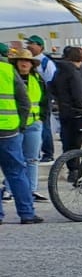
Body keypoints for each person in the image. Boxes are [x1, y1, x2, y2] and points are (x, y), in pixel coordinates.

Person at [0, 46, 40, 224]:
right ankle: (27, 213)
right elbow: (24, 102)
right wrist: (21, 125)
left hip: (10, 130)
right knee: (16, 172)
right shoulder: (8, 70)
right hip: (9, 130)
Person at [9, 44, 46, 203]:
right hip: (15, 124)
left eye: (27, 61)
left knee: (32, 159)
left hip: (34, 124)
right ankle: (10, 190)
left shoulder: (37, 79)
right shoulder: (11, 78)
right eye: (21, 60)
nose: (24, 63)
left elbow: (45, 100)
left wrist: (42, 118)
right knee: (15, 159)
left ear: (32, 64)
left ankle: (31, 190)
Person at [50, 46, 82, 163]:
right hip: (79, 113)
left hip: (64, 111)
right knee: (77, 144)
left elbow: (52, 88)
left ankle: (69, 166)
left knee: (67, 143)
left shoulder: (59, 71)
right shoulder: (78, 72)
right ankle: (75, 169)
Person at [27, 36, 56, 161]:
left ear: (40, 47)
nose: (29, 46)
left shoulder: (46, 62)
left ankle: (48, 153)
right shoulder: (28, 60)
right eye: (28, 43)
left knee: (44, 125)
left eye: (32, 43)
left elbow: (51, 81)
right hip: (30, 99)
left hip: (43, 99)